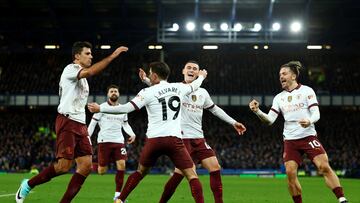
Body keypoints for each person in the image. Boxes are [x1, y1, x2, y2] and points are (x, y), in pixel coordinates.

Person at [15, 41, 128, 203]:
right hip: (67, 121)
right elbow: (89, 72)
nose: (91, 56)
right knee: (63, 167)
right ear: (77, 56)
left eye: (91, 53)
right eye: (87, 53)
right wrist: (112, 56)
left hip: (80, 124)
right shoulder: (70, 69)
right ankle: (27, 184)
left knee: (86, 166)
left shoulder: (82, 77)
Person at [88, 61, 208, 203]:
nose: (149, 75)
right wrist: (201, 76)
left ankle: (120, 200)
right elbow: (195, 85)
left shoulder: (146, 92)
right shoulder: (179, 88)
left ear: (155, 76)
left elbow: (126, 108)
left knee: (140, 172)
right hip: (174, 141)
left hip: (154, 141)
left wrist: (100, 108)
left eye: (150, 73)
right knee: (192, 175)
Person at [139, 60, 246, 203]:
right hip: (182, 140)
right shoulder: (175, 88)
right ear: (183, 71)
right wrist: (147, 80)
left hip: (199, 139)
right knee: (179, 175)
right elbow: (159, 89)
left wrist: (233, 122)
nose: (191, 70)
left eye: (195, 69)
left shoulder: (203, 92)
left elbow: (214, 109)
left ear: (197, 73)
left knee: (215, 167)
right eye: (188, 67)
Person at [249, 61, 348, 203]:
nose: (280, 77)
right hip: (290, 140)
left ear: (294, 76)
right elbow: (270, 120)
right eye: (279, 75)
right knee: (290, 173)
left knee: (324, 166)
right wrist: (257, 111)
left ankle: (342, 199)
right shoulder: (279, 98)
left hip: (308, 136)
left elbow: (316, 113)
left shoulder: (307, 91)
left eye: (284, 73)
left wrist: (310, 121)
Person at [87, 84, 136, 201]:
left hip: (119, 141)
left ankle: (118, 195)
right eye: (111, 91)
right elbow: (93, 124)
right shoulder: (101, 108)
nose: (114, 93)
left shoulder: (123, 109)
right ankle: (89, 166)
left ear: (118, 94)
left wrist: (132, 133)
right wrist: (87, 137)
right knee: (102, 171)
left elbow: (125, 124)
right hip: (104, 142)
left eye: (115, 91)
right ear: (108, 94)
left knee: (122, 165)